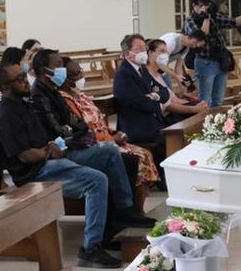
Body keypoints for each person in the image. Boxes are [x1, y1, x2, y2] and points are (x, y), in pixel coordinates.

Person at [0, 64, 120, 268]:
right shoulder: (6, 115)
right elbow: (26, 156)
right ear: (5, 87)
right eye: (19, 78)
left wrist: (54, 146)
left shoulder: (25, 104)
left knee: (107, 156)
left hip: (51, 160)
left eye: (24, 75)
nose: (26, 80)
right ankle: (90, 248)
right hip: (35, 173)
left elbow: (47, 138)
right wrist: (49, 152)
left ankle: (119, 221)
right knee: (96, 180)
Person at [29, 49, 152, 227]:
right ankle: (124, 212)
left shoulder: (53, 91)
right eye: (57, 65)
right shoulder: (39, 96)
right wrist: (75, 130)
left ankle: (127, 214)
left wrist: (75, 129)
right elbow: (59, 130)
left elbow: (78, 123)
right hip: (63, 153)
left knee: (129, 160)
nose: (61, 69)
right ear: (43, 70)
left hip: (74, 145)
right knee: (110, 152)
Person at [58, 57, 160, 212]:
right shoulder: (65, 100)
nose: (80, 76)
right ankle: (129, 209)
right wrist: (111, 139)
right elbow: (83, 130)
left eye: (81, 72)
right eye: (76, 73)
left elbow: (99, 121)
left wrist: (114, 133)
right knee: (137, 157)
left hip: (108, 139)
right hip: (94, 145)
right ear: (65, 77)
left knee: (145, 153)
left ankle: (138, 209)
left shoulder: (82, 96)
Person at [184, 0, 241, 107]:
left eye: (206, 5)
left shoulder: (213, 16)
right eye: (200, 6)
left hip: (220, 61)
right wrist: (205, 17)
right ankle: (203, 124)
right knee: (204, 100)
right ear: (193, 6)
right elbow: (201, 36)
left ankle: (215, 124)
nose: (204, 8)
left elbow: (234, 22)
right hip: (205, 63)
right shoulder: (190, 21)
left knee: (218, 100)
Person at [112, 34, 169, 174]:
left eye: (145, 48)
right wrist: (156, 102)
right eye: (139, 49)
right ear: (127, 54)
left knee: (179, 124)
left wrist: (154, 96)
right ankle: (164, 177)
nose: (143, 52)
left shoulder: (142, 69)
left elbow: (164, 92)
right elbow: (139, 103)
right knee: (170, 136)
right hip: (136, 125)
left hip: (151, 119)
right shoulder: (123, 74)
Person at [145, 39, 209, 122]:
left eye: (166, 52)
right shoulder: (146, 76)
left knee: (204, 109)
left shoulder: (158, 74)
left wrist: (197, 104)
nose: (165, 55)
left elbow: (174, 99)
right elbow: (167, 106)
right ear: (150, 53)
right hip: (163, 117)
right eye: (162, 51)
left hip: (172, 111)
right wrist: (193, 108)